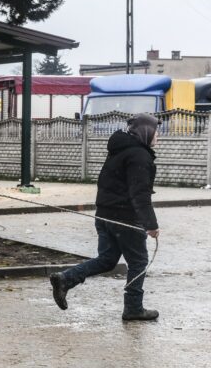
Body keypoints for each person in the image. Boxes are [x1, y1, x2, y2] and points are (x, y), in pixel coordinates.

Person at [50, 113, 161, 321]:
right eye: (156, 131)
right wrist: (151, 225)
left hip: (104, 216)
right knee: (139, 262)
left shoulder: (119, 150)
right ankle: (133, 308)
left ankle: (65, 279)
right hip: (124, 219)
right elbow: (140, 194)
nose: (158, 136)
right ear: (146, 131)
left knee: (107, 260)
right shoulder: (139, 155)